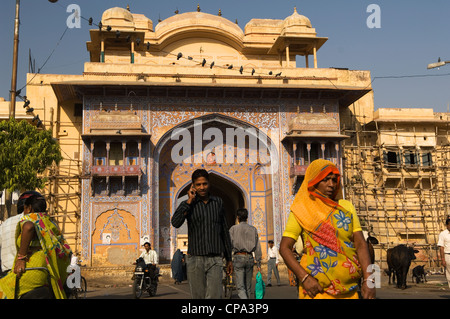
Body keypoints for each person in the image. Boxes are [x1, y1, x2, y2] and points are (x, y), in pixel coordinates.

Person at [279, 159, 376, 299]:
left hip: (350, 290)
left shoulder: (346, 207)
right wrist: (305, 278)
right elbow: (284, 248)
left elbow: (360, 245)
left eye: (334, 180)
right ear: (314, 181)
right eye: (325, 180)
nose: (331, 184)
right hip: (316, 290)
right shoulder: (301, 211)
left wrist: (369, 280)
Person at [171, 169, 233, 299]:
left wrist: (229, 259)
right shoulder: (188, 205)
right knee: (198, 297)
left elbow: (224, 231)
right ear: (193, 186)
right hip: (195, 259)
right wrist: (189, 201)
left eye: (204, 184)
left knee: (215, 296)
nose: (202, 187)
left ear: (209, 183)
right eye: (198, 185)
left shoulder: (218, 203)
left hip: (215, 258)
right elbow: (176, 222)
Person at [0, 192, 72, 299]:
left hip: (27, 270)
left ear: (28, 208)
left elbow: (28, 227)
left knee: (4, 288)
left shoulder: (28, 218)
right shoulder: (49, 223)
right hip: (45, 270)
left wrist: (21, 258)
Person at [0, 191, 39, 275]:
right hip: (32, 272)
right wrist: (21, 258)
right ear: (28, 207)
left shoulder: (6, 223)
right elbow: (28, 227)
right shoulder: (40, 222)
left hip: (7, 273)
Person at [229, 208, 262, 299]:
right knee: (248, 287)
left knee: (240, 287)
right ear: (247, 217)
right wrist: (258, 262)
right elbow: (257, 247)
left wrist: (228, 260)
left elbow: (229, 245)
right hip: (250, 258)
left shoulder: (233, 229)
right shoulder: (253, 229)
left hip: (238, 257)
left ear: (238, 217)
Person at [438, 217, 450, 288]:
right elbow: (441, 247)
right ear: (447, 225)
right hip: (447, 255)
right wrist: (443, 259)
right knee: (449, 274)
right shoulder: (443, 234)